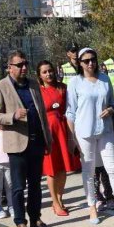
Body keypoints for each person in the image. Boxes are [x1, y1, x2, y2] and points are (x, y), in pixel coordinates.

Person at [66, 48, 114, 224]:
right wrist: (72, 138)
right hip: (84, 132)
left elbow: (112, 102)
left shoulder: (104, 78)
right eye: (86, 60)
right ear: (80, 63)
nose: (90, 63)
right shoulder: (75, 82)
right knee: (89, 171)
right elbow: (70, 112)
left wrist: (110, 109)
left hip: (105, 130)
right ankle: (92, 207)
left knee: (112, 167)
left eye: (93, 59)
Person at [0, 50, 54, 227]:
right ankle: (20, 221)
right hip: (17, 144)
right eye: (19, 65)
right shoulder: (0, 86)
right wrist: (13, 116)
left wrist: (47, 139)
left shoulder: (33, 84)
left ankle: (35, 219)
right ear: (10, 67)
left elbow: (41, 113)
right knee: (18, 186)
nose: (24, 67)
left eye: (25, 64)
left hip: (37, 143)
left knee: (35, 185)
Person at [37, 60, 81, 216]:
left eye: (50, 70)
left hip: (63, 130)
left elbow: (70, 109)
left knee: (62, 168)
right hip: (48, 132)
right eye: (44, 72)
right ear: (39, 75)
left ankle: (60, 199)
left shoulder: (63, 88)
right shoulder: (38, 91)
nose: (48, 74)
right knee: (51, 169)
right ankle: (54, 202)